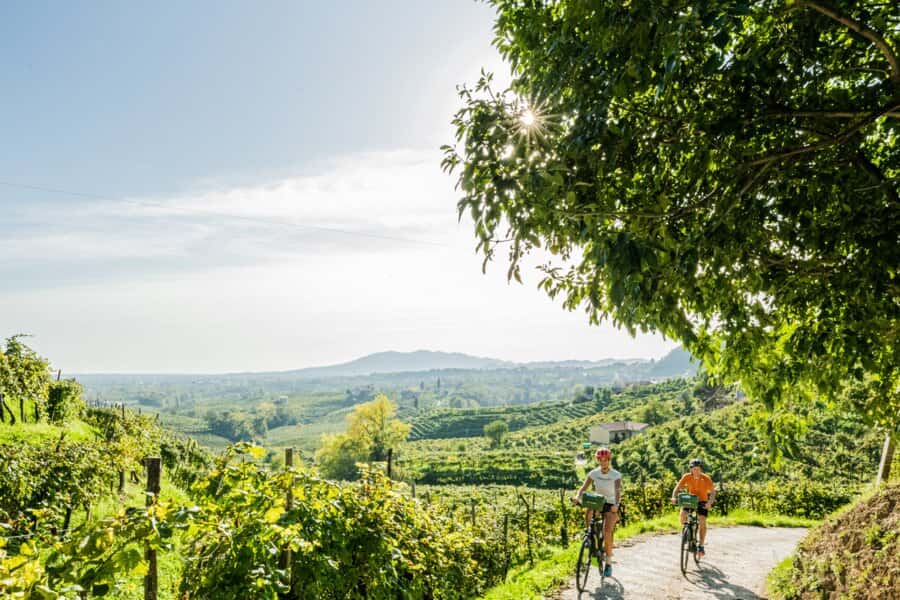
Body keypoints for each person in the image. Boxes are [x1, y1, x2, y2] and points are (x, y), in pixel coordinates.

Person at [573, 447, 622, 577]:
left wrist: (616, 505)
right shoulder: (594, 473)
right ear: (598, 460)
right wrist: (577, 497)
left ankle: (609, 562)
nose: (603, 462)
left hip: (611, 503)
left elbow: (618, 491)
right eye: (601, 460)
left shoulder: (615, 475)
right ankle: (589, 535)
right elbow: (583, 488)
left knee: (607, 532)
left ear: (609, 460)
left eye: (605, 460)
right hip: (599, 501)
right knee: (589, 510)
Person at [671, 458, 716, 557]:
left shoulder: (706, 478)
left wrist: (709, 502)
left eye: (698, 469)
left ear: (701, 469)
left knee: (702, 521)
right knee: (682, 515)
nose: (696, 471)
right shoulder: (686, 477)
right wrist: (674, 497)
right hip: (691, 499)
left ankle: (701, 545)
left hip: (702, 501)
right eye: (694, 469)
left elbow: (713, 492)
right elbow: (677, 488)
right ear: (691, 469)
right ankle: (688, 532)